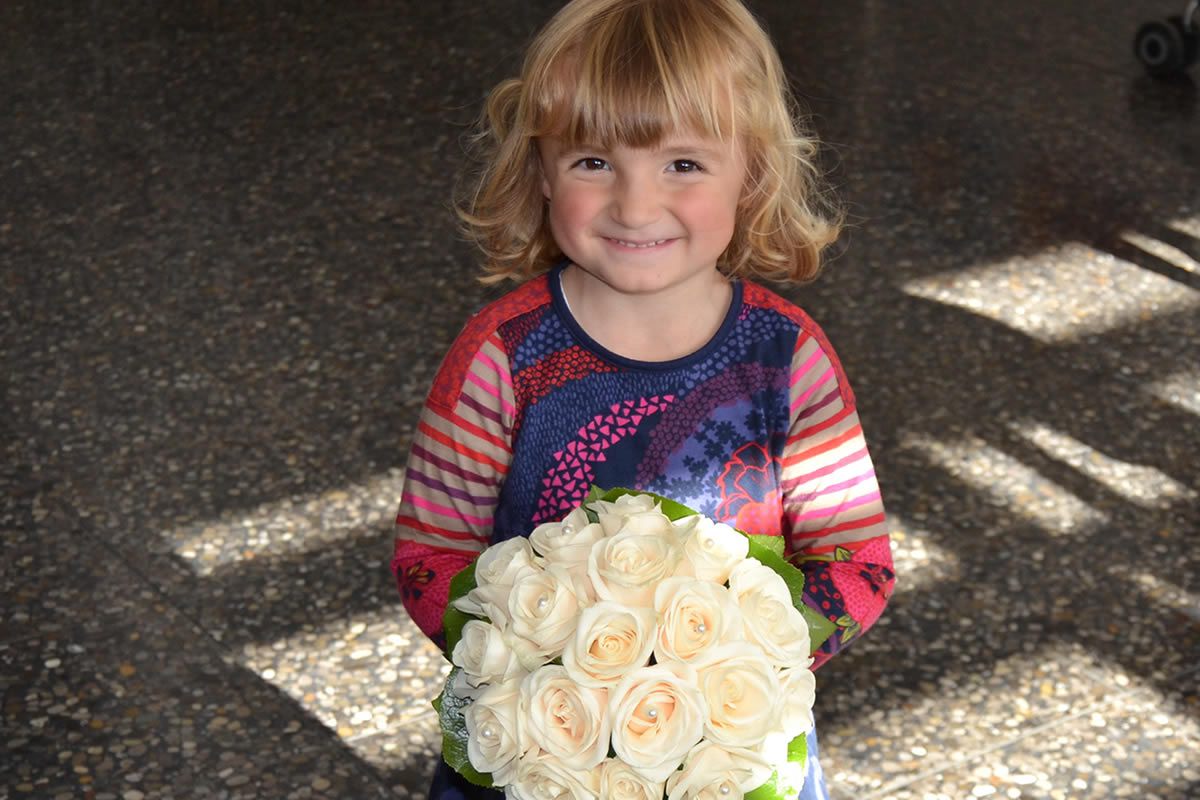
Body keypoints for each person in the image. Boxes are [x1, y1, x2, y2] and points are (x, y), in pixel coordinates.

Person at [391, 0, 895, 797]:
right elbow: (430, 556)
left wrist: (728, 675)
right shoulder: (501, 355)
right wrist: (539, 667)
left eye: (683, 164)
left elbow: (857, 561)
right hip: (547, 754)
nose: (634, 205)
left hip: (728, 763)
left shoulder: (789, 358)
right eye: (593, 161)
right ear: (540, 170)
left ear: (752, 172)